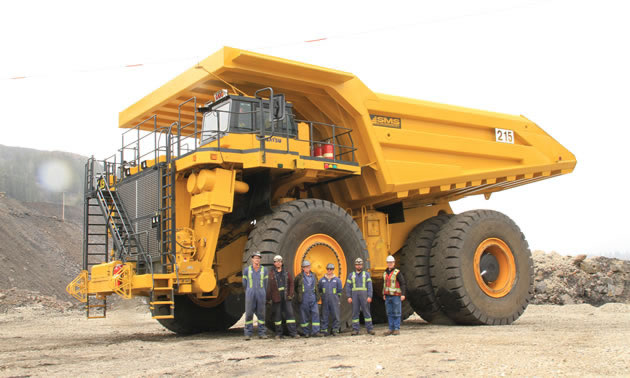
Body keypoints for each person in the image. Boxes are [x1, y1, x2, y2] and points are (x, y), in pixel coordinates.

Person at [267, 255, 299, 339]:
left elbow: (291, 283)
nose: (278, 263)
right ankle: (278, 334)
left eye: (280, 261)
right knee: (277, 317)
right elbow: (269, 286)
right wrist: (269, 298)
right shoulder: (271, 274)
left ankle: (293, 333)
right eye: (276, 261)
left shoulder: (286, 272)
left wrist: (290, 294)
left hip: (286, 297)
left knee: (290, 315)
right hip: (276, 298)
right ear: (274, 263)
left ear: (282, 263)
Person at [242, 251, 268, 340]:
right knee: (249, 314)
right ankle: (248, 334)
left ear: (260, 260)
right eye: (255, 258)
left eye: (258, 258)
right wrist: (249, 291)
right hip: (250, 293)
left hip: (261, 293)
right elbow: (244, 283)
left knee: (261, 314)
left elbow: (266, 283)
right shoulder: (247, 270)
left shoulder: (264, 270)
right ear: (252, 259)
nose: (257, 259)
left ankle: (262, 333)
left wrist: (262, 291)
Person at [346, 257, 375, 335]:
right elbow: (348, 286)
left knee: (366, 312)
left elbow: (369, 286)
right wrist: (349, 296)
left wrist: (369, 296)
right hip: (354, 296)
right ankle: (355, 329)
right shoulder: (351, 275)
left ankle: (370, 329)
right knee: (355, 312)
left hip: (364, 296)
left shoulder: (366, 275)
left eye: (360, 265)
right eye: (357, 265)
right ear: (355, 266)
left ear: (362, 265)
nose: (359, 266)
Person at [294, 260, 323, 337]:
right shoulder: (299, 277)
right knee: (304, 316)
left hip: (313, 297)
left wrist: (317, 296)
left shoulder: (314, 275)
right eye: (305, 267)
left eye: (308, 267)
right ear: (303, 268)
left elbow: (317, 286)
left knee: (315, 313)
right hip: (304, 298)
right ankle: (306, 332)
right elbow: (295, 287)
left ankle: (315, 331)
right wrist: (299, 296)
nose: (307, 268)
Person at [382, 255, 407, 336]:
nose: (390, 264)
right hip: (388, 296)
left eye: (391, 262)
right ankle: (391, 328)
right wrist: (384, 294)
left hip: (396, 296)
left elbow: (402, 283)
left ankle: (396, 329)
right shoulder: (385, 273)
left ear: (394, 263)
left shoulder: (397, 273)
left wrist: (403, 294)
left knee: (396, 312)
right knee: (389, 313)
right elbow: (385, 285)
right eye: (388, 262)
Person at [318, 263, 343, 336]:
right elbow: (320, 290)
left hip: (334, 301)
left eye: (331, 269)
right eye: (328, 269)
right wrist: (322, 296)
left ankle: (335, 330)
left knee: (335, 315)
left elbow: (339, 290)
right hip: (325, 300)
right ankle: (324, 330)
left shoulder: (337, 280)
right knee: (324, 315)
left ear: (333, 270)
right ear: (326, 269)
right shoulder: (322, 280)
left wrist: (337, 298)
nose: (329, 270)